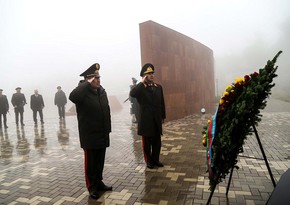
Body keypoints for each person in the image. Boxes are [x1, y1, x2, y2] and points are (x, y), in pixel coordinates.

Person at [69, 63, 112, 200]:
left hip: (102, 133)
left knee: (100, 161)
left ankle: (99, 182)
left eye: (99, 77)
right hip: (90, 135)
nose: (98, 80)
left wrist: (108, 129)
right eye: (95, 78)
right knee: (91, 163)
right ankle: (92, 187)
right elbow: (73, 97)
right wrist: (86, 83)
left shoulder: (102, 91)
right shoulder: (82, 92)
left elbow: (107, 110)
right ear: (88, 79)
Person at [130, 63, 166, 169]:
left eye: (152, 73)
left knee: (157, 142)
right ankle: (148, 161)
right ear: (144, 76)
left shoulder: (158, 87)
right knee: (147, 143)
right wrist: (142, 82)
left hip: (156, 119)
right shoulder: (141, 88)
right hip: (146, 120)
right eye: (148, 74)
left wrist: (163, 116)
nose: (151, 75)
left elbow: (161, 103)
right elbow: (133, 94)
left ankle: (155, 159)